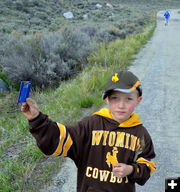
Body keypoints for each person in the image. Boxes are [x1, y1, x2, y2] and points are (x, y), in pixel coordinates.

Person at [21, 70, 156, 192]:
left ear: (138, 100)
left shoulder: (141, 134)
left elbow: (147, 165)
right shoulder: (90, 125)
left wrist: (131, 170)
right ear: (107, 99)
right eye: (115, 98)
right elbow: (61, 138)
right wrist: (37, 119)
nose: (121, 105)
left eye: (128, 99)